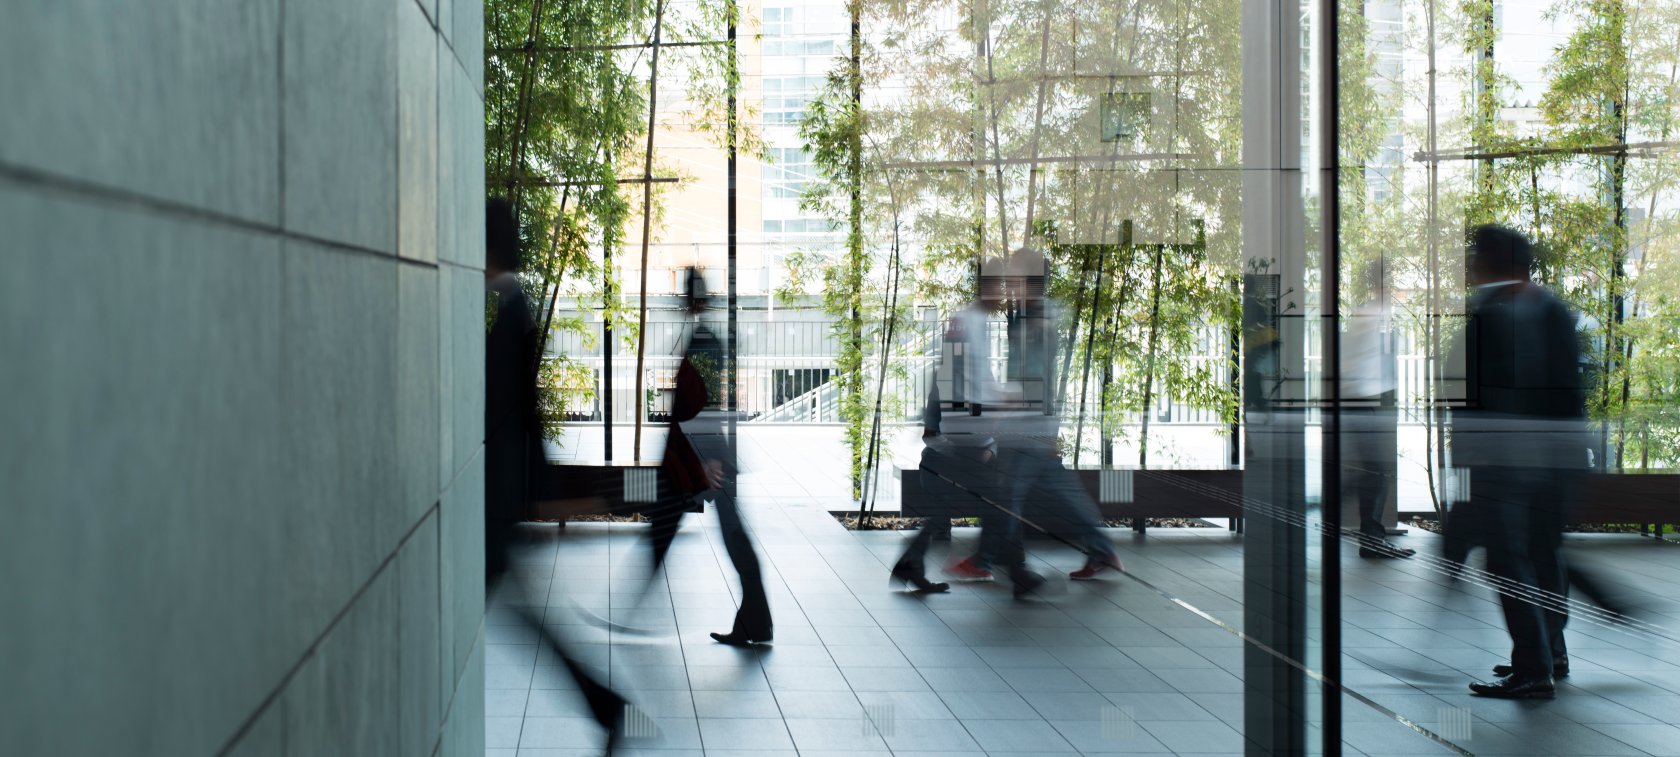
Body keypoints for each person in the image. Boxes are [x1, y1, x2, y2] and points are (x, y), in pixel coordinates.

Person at [482, 198, 630, 749]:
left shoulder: (514, 312)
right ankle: (606, 706)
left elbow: (512, 411)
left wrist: (532, 491)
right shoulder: (513, 307)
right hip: (502, 494)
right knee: (528, 620)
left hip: (497, 497)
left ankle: (608, 706)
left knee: (523, 619)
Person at [1450, 225, 1588, 700]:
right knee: (1544, 556)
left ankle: (1533, 669)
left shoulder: (1492, 314)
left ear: (1492, 263)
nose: (1470, 265)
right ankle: (1551, 653)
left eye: (1475, 256)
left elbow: (1475, 400)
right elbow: (1570, 391)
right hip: (1552, 463)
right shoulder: (1552, 309)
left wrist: (1467, 469)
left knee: (1510, 562)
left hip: (1506, 465)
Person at [642, 267, 773, 646]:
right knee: (710, 530)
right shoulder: (706, 336)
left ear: (688, 298)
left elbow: (709, 403)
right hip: (701, 455)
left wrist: (710, 458)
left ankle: (756, 621)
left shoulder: (703, 341)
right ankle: (756, 622)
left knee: (729, 535)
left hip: (704, 457)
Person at [1341, 259, 1414, 558]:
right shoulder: (1370, 313)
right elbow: (1353, 361)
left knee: (1375, 472)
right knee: (1377, 472)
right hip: (1364, 401)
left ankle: (1370, 537)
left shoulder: (1375, 312)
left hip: (1370, 400)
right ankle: (1370, 538)